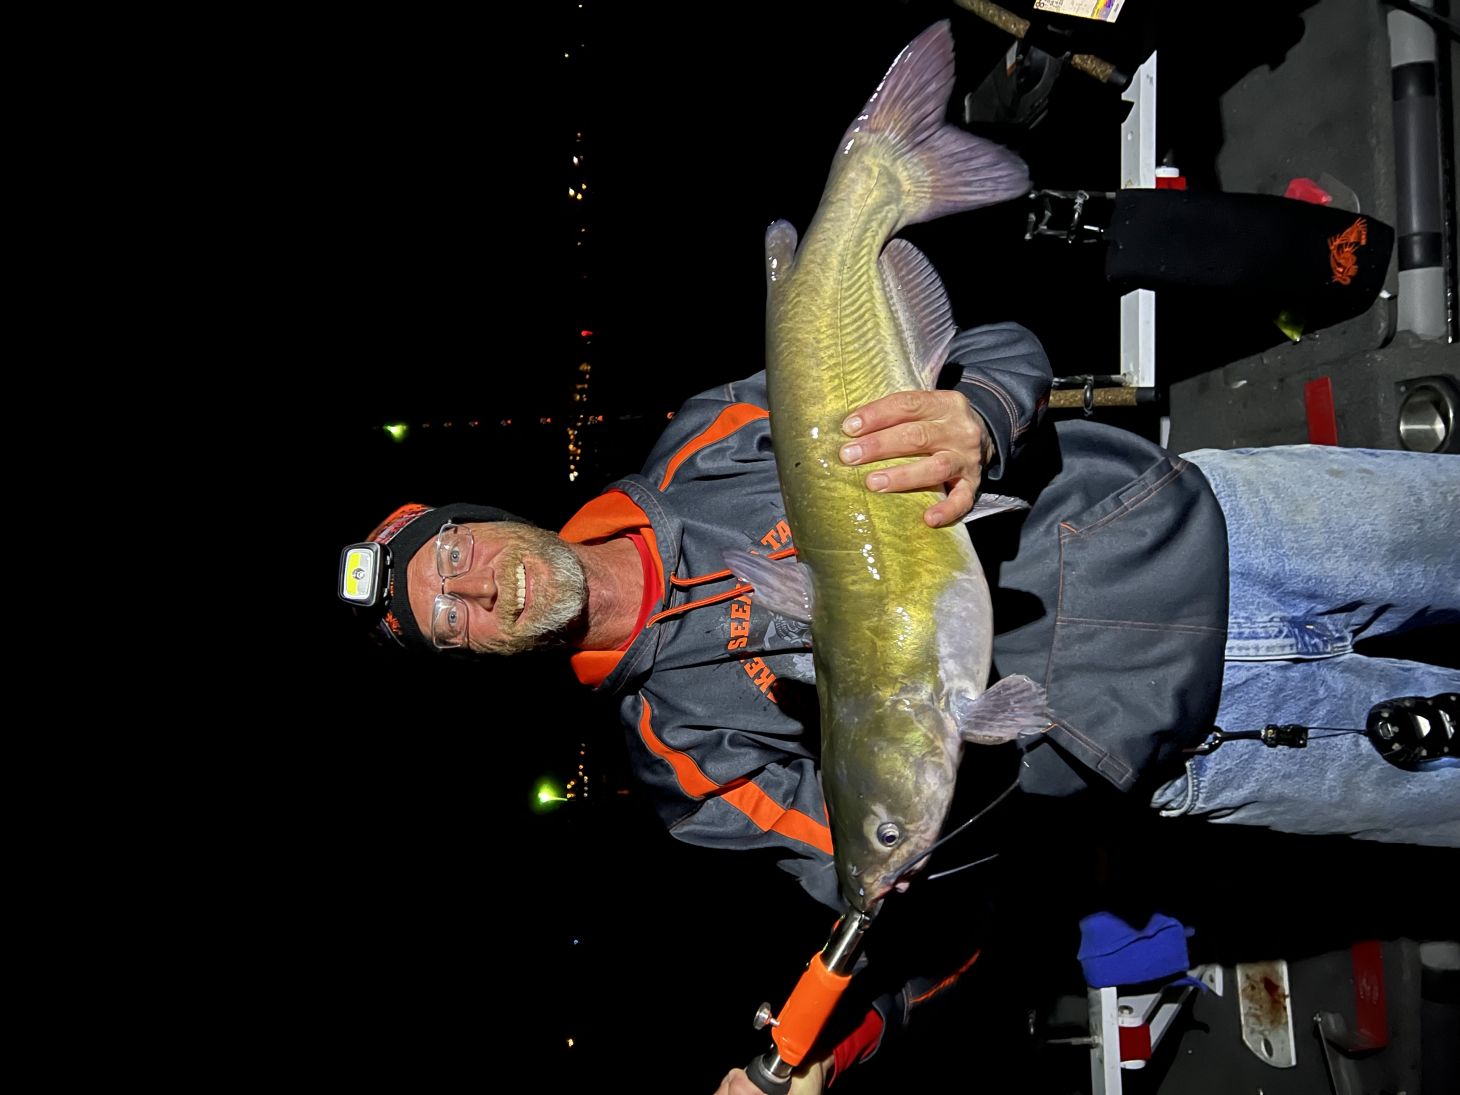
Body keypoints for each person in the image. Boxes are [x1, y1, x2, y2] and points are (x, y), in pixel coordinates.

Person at [337, 322, 1458, 1092]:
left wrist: (972, 414)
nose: (483, 588)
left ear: (476, 517)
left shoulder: (713, 441)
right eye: (454, 619)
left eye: (458, 557)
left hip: (1226, 523)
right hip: (1212, 746)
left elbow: (993, 348)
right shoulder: (685, 764)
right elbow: (894, 901)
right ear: (476, 655)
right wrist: (826, 1043)